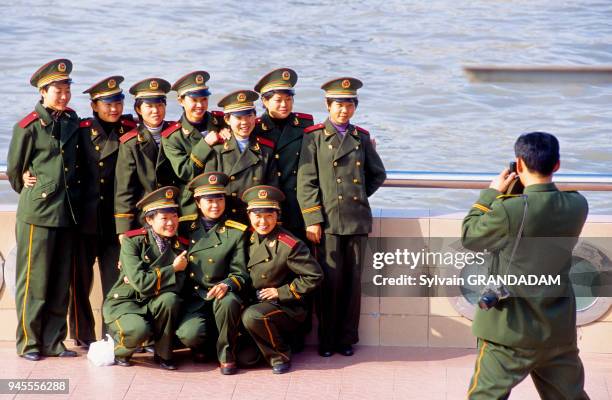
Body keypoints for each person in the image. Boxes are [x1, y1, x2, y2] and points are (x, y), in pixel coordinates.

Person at [462, 132, 589, 399]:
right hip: (556, 328)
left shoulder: (510, 209)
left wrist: (490, 194)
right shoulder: (578, 204)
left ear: (519, 164)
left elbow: (470, 237)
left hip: (509, 330)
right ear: (557, 165)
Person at [297, 77, 386, 357]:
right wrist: (313, 219)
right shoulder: (313, 137)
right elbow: (306, 181)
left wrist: (357, 195)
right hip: (329, 223)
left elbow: (377, 174)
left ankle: (347, 339)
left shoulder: (361, 137)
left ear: (355, 107)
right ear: (327, 105)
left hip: (356, 220)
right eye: (338, 105)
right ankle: (327, 339)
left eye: (349, 105)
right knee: (330, 284)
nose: (343, 110)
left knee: (352, 285)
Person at [7, 59, 81, 361]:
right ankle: (29, 342)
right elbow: (14, 171)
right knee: (34, 280)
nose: (63, 96)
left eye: (67, 90)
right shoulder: (27, 126)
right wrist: (27, 181)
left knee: (60, 280)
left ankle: (54, 340)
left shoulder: (72, 120)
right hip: (38, 214)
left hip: (67, 211)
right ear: (43, 91)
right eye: (57, 90)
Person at [69, 76, 136, 348]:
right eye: (107, 103)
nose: (114, 108)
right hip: (84, 219)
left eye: (118, 102)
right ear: (94, 105)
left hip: (115, 220)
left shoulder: (131, 129)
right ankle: (83, 334)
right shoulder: (82, 130)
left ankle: (112, 334)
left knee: (115, 281)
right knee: (80, 282)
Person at [103, 186, 187, 370]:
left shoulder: (180, 245)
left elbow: (177, 286)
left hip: (155, 301)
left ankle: (164, 354)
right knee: (138, 330)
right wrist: (172, 268)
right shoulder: (132, 241)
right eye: (164, 218)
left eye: (174, 216)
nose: (171, 223)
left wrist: (145, 278)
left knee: (170, 298)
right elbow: (140, 284)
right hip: (127, 301)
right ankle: (120, 350)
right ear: (149, 219)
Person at [240, 185, 322, 374]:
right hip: (255, 302)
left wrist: (281, 292)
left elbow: (314, 276)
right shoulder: (246, 238)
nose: (263, 222)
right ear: (249, 215)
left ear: (277, 216)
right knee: (246, 359)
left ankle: (280, 355)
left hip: (286, 307)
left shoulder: (288, 244)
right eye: (257, 216)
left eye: (269, 215)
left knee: (253, 316)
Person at [175, 171, 249, 375]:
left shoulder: (235, 232)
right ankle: (204, 348)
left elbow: (240, 272)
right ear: (198, 203)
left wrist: (227, 284)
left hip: (222, 294)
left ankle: (227, 355)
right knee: (189, 334)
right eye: (209, 200)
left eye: (219, 199)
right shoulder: (183, 227)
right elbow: (157, 234)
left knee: (229, 301)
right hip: (195, 297)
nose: (215, 205)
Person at [114, 77, 179, 239]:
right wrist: (124, 231)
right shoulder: (130, 143)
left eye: (160, 105)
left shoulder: (176, 134)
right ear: (138, 109)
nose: (155, 111)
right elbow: (124, 190)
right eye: (149, 106)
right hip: (145, 217)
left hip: (175, 216)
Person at [253, 67, 313, 241]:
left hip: (296, 207)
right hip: (265, 208)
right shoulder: (254, 128)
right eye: (278, 100)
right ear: (264, 101)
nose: (284, 105)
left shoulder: (304, 125)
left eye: (289, 99)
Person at [204, 90, 278, 223]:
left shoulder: (266, 150)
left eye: (249, 116)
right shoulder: (217, 150)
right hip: (226, 221)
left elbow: (272, 190)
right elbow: (209, 192)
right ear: (227, 119)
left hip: (257, 223)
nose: (245, 122)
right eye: (238, 118)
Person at [162, 71, 227, 216]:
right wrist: (205, 144)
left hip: (222, 198)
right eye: (194, 100)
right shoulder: (173, 136)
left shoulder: (222, 121)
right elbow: (185, 173)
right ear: (181, 101)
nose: (200, 105)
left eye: (204, 99)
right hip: (192, 203)